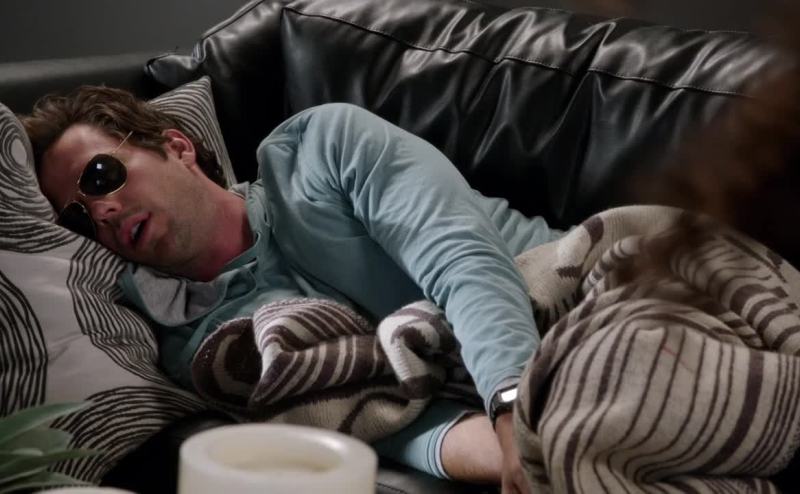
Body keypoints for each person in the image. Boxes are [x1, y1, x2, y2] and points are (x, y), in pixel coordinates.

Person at [23, 88, 563, 492]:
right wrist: (528, 460)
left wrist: (514, 411)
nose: (102, 211)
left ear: (177, 147)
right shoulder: (206, 349)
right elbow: (374, 420)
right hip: (547, 404)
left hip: (573, 296)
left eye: (100, 176)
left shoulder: (321, 147)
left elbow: (460, 259)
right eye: (79, 218)